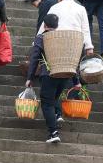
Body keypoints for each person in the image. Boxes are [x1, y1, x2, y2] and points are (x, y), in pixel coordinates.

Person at [25, 13, 70, 144]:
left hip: (49, 74)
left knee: (47, 103)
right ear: (57, 25)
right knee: (54, 99)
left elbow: (34, 58)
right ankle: (57, 116)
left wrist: (30, 77)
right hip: (64, 75)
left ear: (44, 25)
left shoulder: (41, 38)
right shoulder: (63, 38)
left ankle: (53, 132)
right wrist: (76, 80)